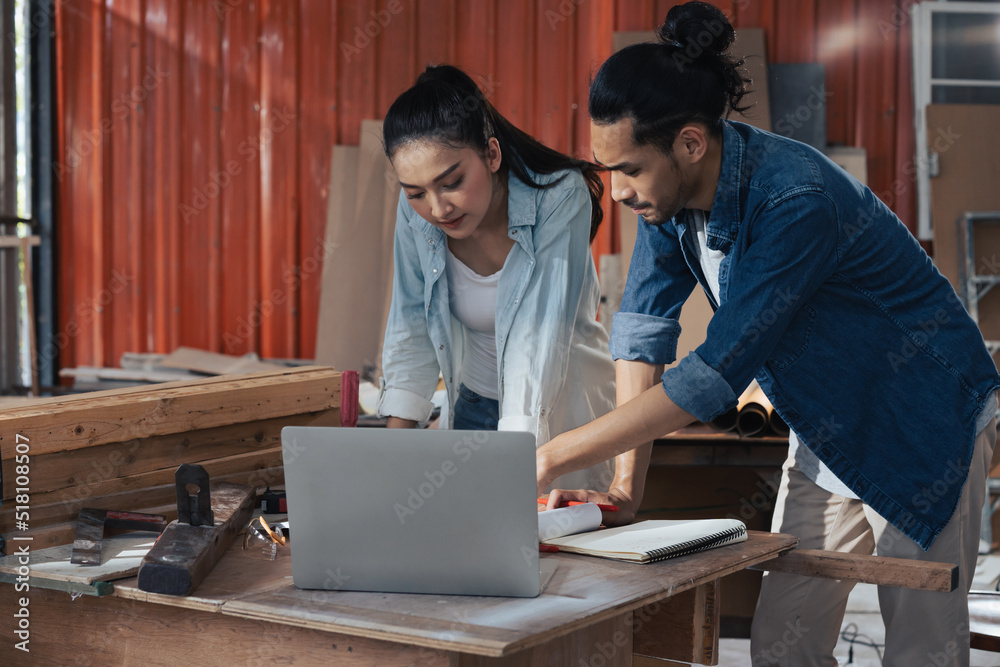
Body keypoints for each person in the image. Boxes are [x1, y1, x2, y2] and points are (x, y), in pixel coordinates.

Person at [534, 2, 1000, 665]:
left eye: (629, 169)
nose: (619, 191)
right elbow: (643, 328)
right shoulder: (668, 200)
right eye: (609, 170)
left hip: (919, 419)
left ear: (690, 143)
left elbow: (714, 373)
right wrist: (623, 487)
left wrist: (550, 455)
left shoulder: (795, 201)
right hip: (827, 425)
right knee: (786, 644)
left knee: (922, 651)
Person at [376, 64, 616, 490]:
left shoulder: (560, 196)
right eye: (415, 193)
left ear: (491, 153)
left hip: (558, 418)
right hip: (472, 404)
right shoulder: (416, 213)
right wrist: (392, 458)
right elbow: (411, 322)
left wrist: (513, 462)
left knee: (557, 548)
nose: (437, 208)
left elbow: (536, 341)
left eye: (451, 182)